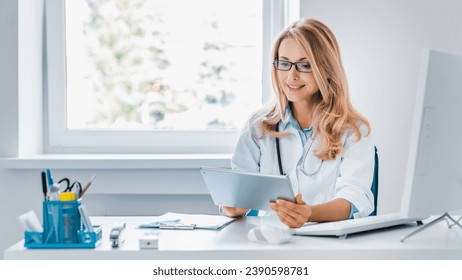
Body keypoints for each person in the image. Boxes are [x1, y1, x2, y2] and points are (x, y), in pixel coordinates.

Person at [221, 18, 375, 228]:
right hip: (270, 243)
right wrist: (232, 207)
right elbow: (238, 191)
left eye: (304, 65)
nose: (291, 75)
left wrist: (308, 213)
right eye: (284, 63)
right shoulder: (258, 127)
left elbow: (355, 199)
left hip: (330, 244)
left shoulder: (353, 130)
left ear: (326, 68)